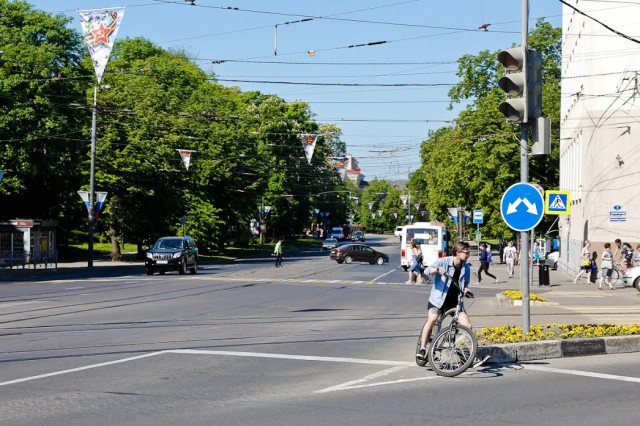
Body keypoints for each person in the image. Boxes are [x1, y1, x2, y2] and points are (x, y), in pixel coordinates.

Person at [415, 241, 489, 367]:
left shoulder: (466, 267)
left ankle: (471, 356)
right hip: (438, 300)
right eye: (466, 252)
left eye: (468, 252)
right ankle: (422, 349)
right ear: (457, 252)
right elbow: (427, 271)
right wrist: (437, 270)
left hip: (455, 302)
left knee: (467, 325)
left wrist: (466, 290)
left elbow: (464, 285)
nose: (468, 255)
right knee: (433, 318)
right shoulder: (443, 261)